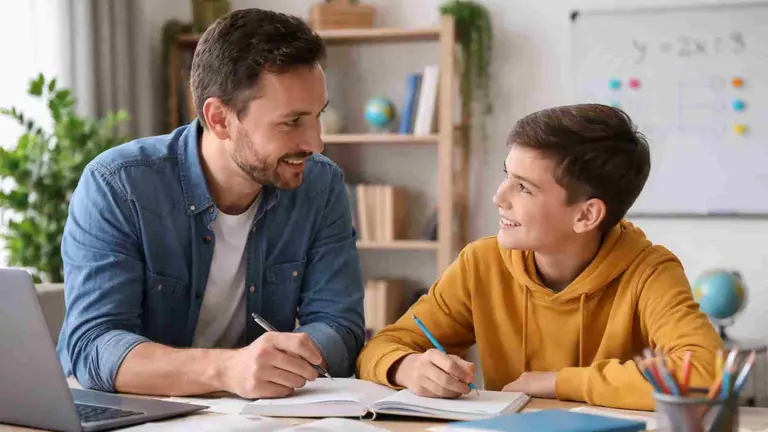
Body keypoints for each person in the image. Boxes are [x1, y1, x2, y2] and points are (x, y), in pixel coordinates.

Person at [57, 8, 365, 399]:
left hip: (255, 417)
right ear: (219, 118)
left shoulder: (321, 187)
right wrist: (226, 369)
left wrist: (288, 359)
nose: (316, 143)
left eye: (318, 116)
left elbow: (341, 326)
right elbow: (93, 344)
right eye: (292, 122)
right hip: (131, 414)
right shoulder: (119, 185)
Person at [356, 104, 722, 410]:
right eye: (507, 176)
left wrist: (558, 382)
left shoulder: (650, 272)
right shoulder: (480, 264)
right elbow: (380, 349)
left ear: (586, 216)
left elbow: (705, 373)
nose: (499, 197)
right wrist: (408, 366)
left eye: (524, 187)